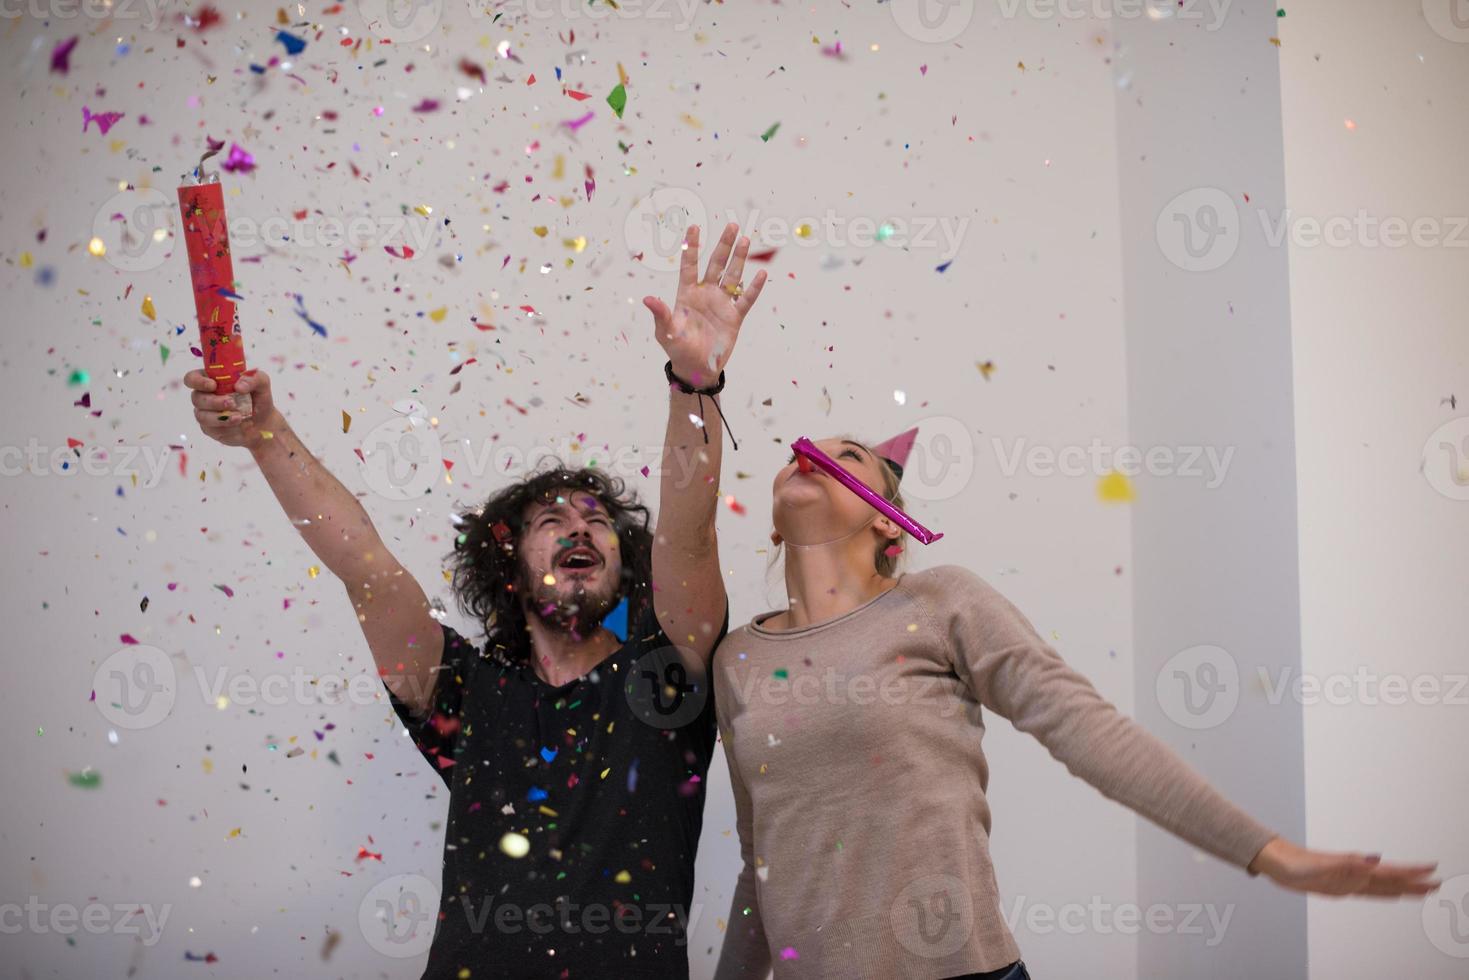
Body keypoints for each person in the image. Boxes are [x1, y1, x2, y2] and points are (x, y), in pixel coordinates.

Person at [180, 220, 765, 978]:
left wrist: (694, 383)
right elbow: (367, 571)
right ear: (511, 572)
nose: (578, 530)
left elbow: (687, 535)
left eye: (597, 523)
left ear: (629, 567)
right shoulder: (465, 691)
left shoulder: (668, 674)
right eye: (550, 522)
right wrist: (267, 434)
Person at [706, 429, 1442, 979]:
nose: (814, 453)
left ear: (888, 524)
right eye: (806, 448)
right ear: (773, 523)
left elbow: (1084, 728)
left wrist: (1269, 854)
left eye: (851, 455)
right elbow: (759, 860)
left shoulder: (940, 602)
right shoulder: (737, 658)